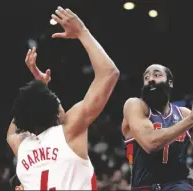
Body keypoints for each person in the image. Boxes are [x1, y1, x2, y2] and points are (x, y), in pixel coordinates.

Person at [6, 6, 119, 190]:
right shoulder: (70, 130)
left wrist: (39, 86)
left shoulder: (22, 147)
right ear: (57, 113)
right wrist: (82, 32)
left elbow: (13, 130)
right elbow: (109, 73)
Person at [122, 64, 193, 190]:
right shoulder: (134, 105)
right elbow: (150, 143)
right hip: (144, 187)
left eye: (157, 75)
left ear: (170, 82)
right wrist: (192, 119)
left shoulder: (183, 114)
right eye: (146, 77)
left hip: (178, 184)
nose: (150, 79)